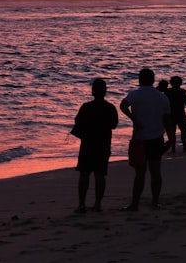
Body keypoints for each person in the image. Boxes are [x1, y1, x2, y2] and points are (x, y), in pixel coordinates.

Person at [119, 68, 173, 210]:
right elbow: (167, 120)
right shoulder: (162, 97)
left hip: (140, 139)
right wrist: (172, 138)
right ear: (153, 80)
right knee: (156, 171)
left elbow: (123, 106)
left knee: (139, 173)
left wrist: (134, 119)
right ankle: (155, 203)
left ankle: (135, 204)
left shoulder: (135, 94)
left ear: (139, 80)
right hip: (156, 138)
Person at [71, 77, 119, 213]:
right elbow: (114, 125)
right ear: (105, 92)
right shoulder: (110, 108)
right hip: (103, 145)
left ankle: (81, 205)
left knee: (84, 174)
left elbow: (77, 123)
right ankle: (97, 204)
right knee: (100, 175)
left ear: (93, 92)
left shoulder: (86, 107)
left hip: (87, 144)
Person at [164, 76, 186, 152]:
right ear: (180, 83)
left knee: (172, 131)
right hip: (180, 113)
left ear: (171, 83)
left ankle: (173, 148)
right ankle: (184, 147)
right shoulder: (183, 91)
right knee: (183, 130)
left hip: (171, 114)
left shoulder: (167, 91)